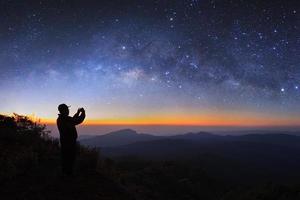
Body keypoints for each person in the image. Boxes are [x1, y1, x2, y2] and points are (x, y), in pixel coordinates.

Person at [57, 103, 85, 176]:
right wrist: (83, 113)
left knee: (65, 158)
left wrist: (78, 113)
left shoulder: (61, 119)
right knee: (70, 158)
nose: (68, 110)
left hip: (64, 142)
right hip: (69, 143)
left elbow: (72, 120)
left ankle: (65, 174)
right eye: (67, 109)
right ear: (64, 110)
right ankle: (68, 175)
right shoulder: (65, 119)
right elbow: (77, 121)